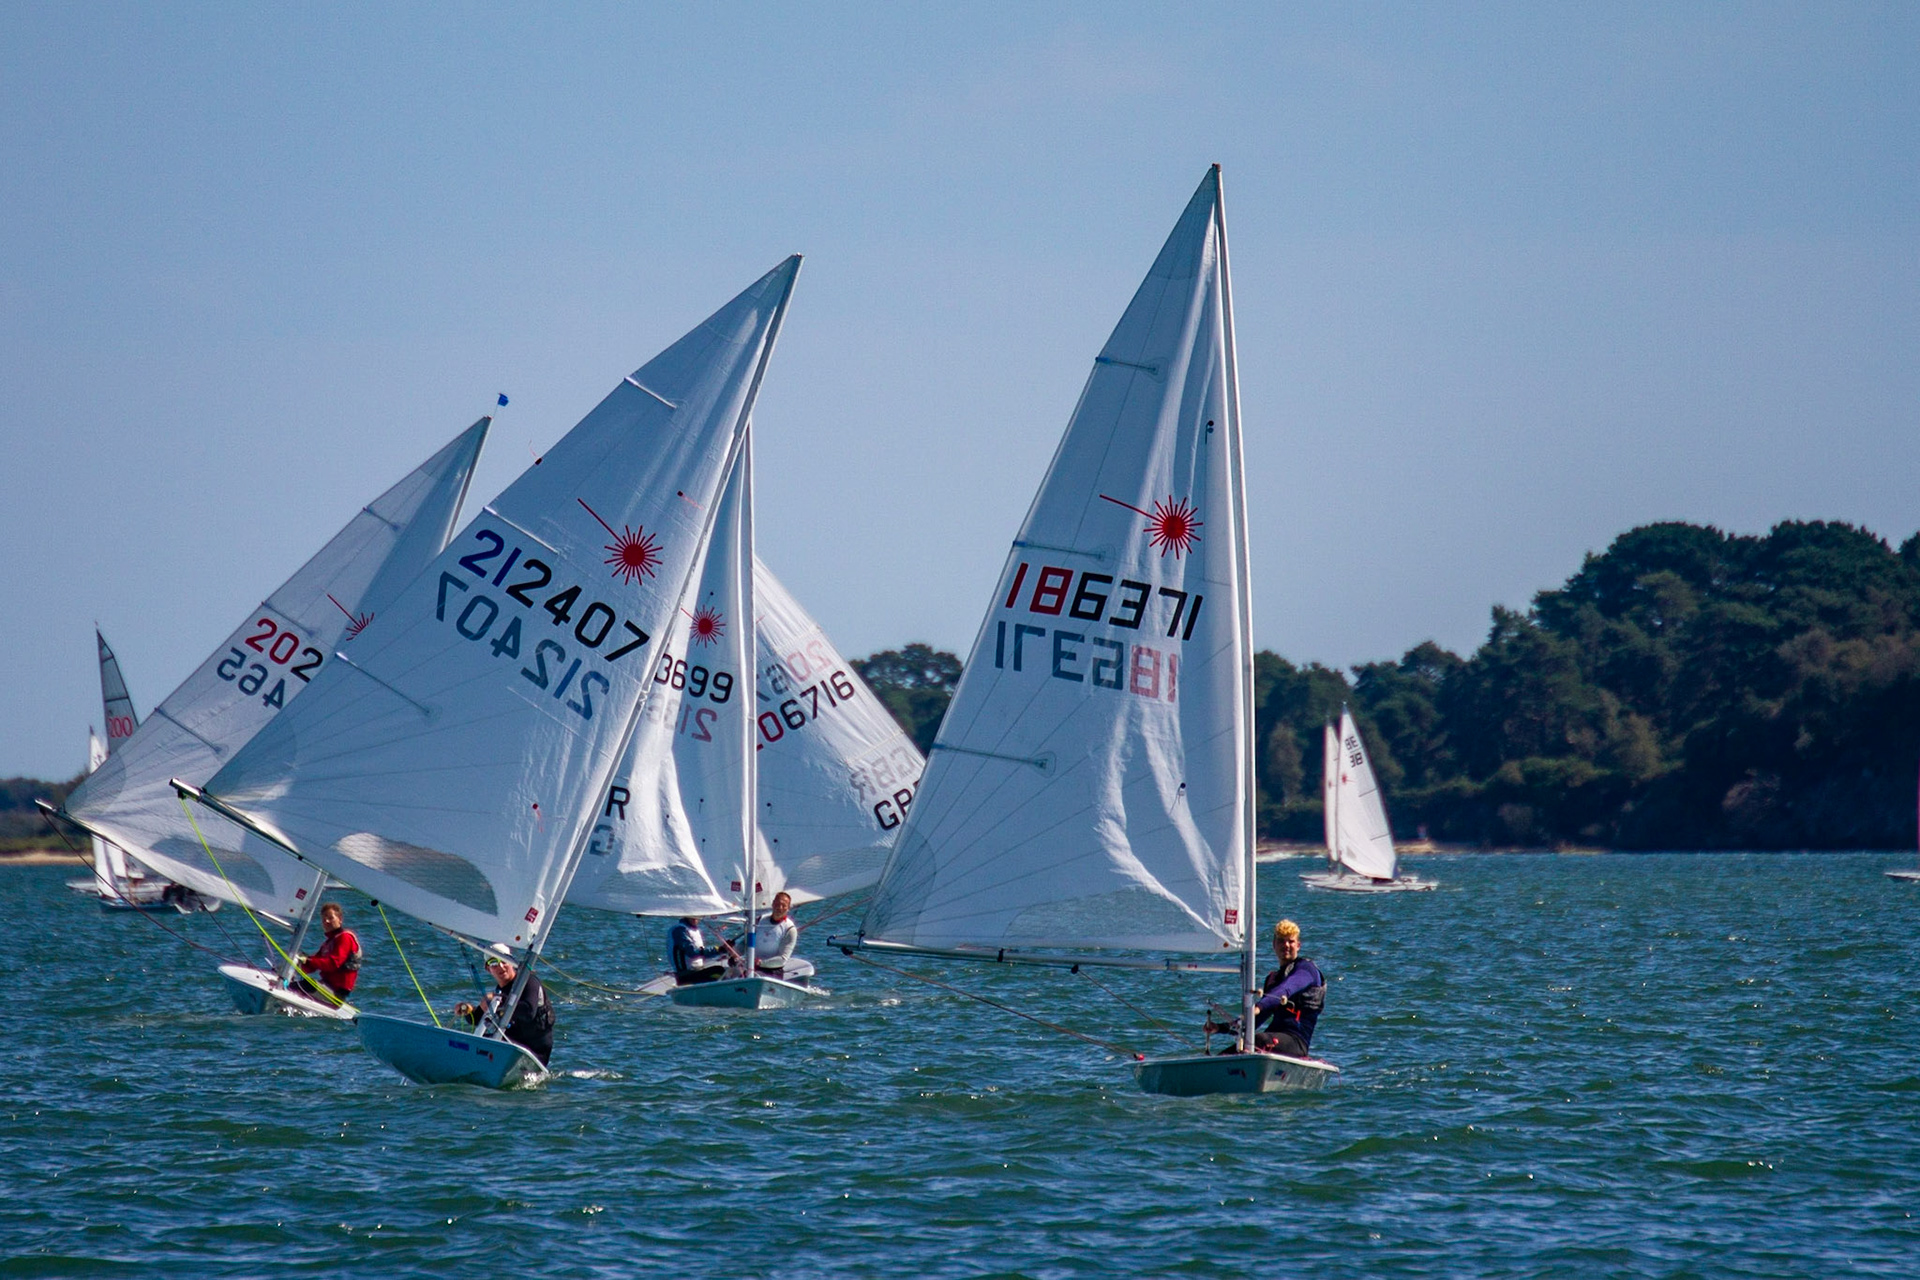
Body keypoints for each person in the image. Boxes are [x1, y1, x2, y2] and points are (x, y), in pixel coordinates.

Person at [1204, 919, 1326, 1058]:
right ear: (1274, 945)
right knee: (1225, 1055)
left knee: (1259, 1040)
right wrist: (1220, 1028)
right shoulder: (1273, 979)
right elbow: (1255, 1021)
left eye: (1291, 941)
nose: (1286, 945)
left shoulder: (1307, 969)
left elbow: (1286, 989)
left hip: (1296, 1042)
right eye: (1281, 941)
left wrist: (1258, 1006)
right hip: (1271, 1038)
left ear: (1298, 945)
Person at [455, 945, 555, 1066]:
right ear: (488, 969)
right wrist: (468, 1010)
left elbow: (528, 1012)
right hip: (511, 1045)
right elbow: (476, 1020)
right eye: (494, 963)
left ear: (512, 963)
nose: (501, 967)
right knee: (473, 1042)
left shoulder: (529, 982)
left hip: (534, 1051)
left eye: (504, 961)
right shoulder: (500, 990)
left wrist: (500, 1000)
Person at [296, 903, 361, 1002]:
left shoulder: (345, 938)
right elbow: (312, 966)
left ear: (340, 919)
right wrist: (298, 963)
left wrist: (309, 961)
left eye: (331, 918)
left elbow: (333, 963)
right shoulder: (328, 943)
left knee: (304, 985)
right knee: (297, 984)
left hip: (337, 992)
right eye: (324, 919)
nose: (326, 921)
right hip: (326, 985)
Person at [751, 891, 816, 983]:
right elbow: (745, 942)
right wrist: (733, 953)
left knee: (754, 977)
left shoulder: (789, 929)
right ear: (773, 904)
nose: (780, 908)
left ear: (788, 908)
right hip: (752, 967)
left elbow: (782, 959)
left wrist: (760, 963)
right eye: (777, 904)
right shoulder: (760, 920)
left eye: (784, 905)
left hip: (772, 971)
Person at [669, 916, 735, 985]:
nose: (695, 918)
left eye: (697, 916)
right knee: (719, 971)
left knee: (725, 970)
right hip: (685, 976)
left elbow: (701, 954)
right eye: (692, 916)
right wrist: (718, 950)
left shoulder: (694, 930)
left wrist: (724, 950)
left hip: (696, 971)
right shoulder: (679, 930)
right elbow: (692, 952)